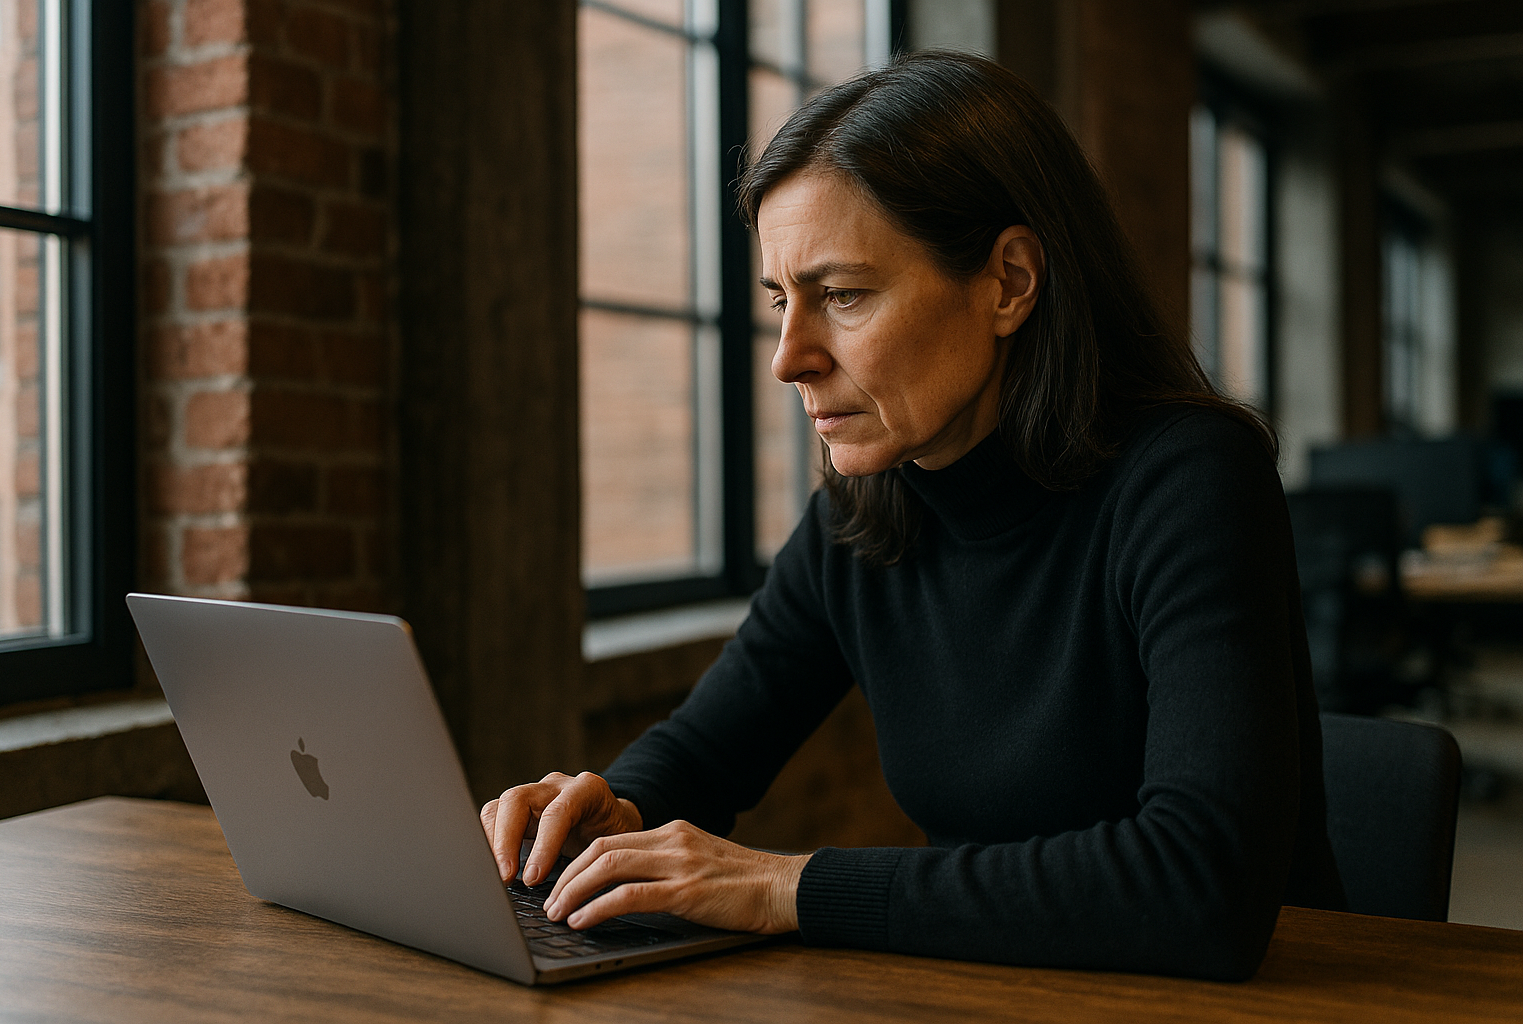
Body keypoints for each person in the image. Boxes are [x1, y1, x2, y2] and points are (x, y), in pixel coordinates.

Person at [482, 50, 1345, 982]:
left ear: (1011, 281)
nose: (788, 357)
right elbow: (707, 747)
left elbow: (1199, 886)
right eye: (782, 300)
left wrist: (789, 887)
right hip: (991, 990)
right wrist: (616, 807)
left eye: (843, 296)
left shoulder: (1189, 480)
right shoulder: (865, 510)